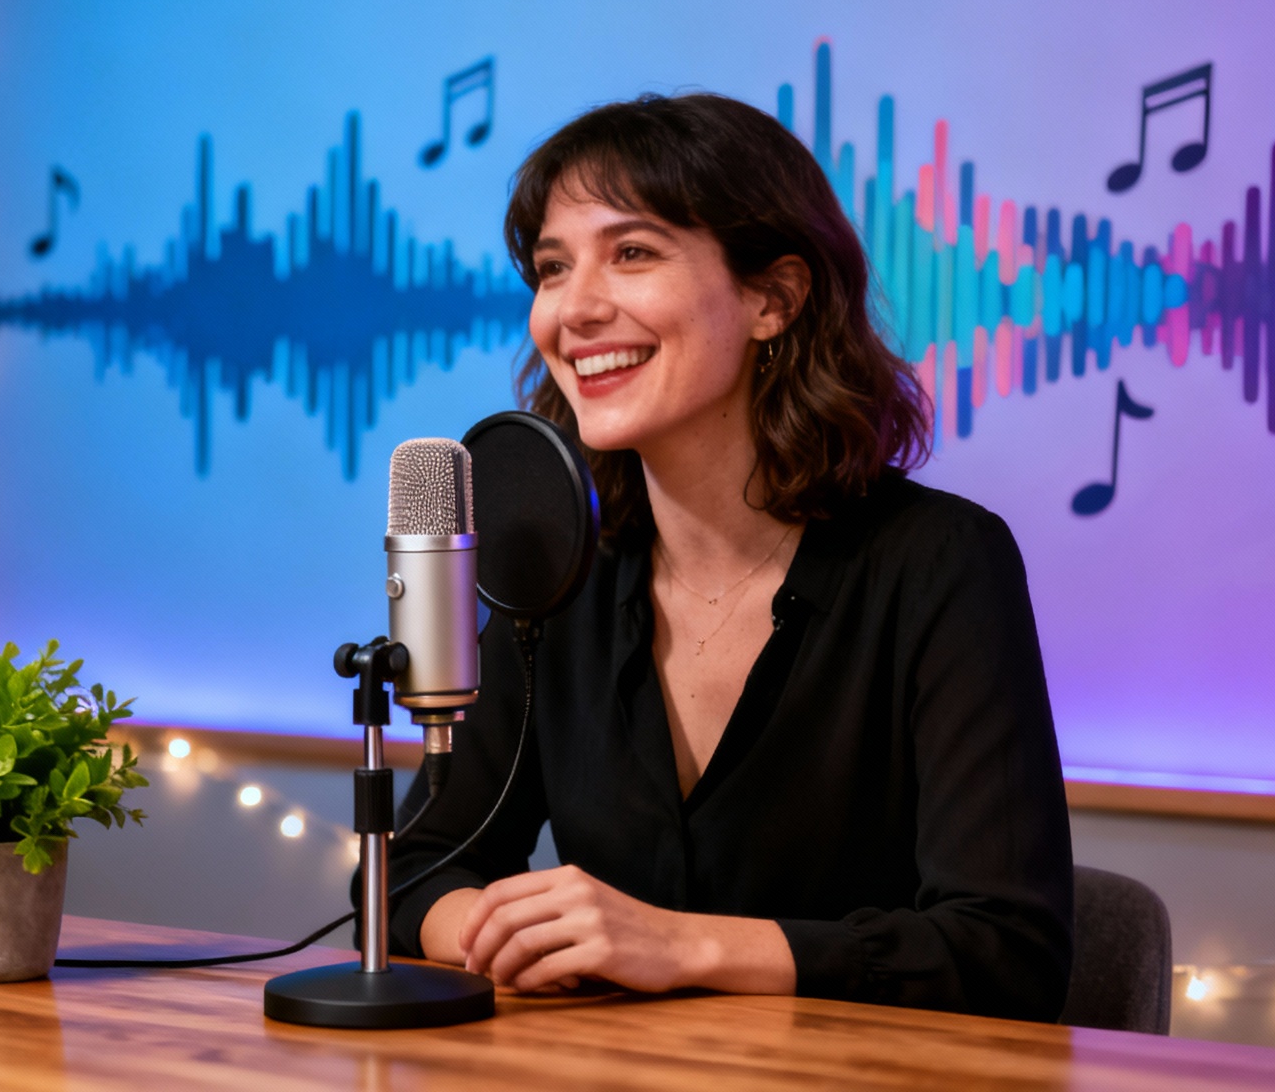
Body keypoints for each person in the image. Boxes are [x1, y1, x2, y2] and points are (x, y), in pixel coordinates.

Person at [385, 92, 1073, 1019]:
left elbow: (1008, 953)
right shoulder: (555, 577)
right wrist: (496, 930)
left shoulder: (943, 563)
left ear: (773, 298)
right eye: (553, 269)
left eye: (631, 253)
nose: (574, 310)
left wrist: (685, 945)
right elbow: (415, 867)